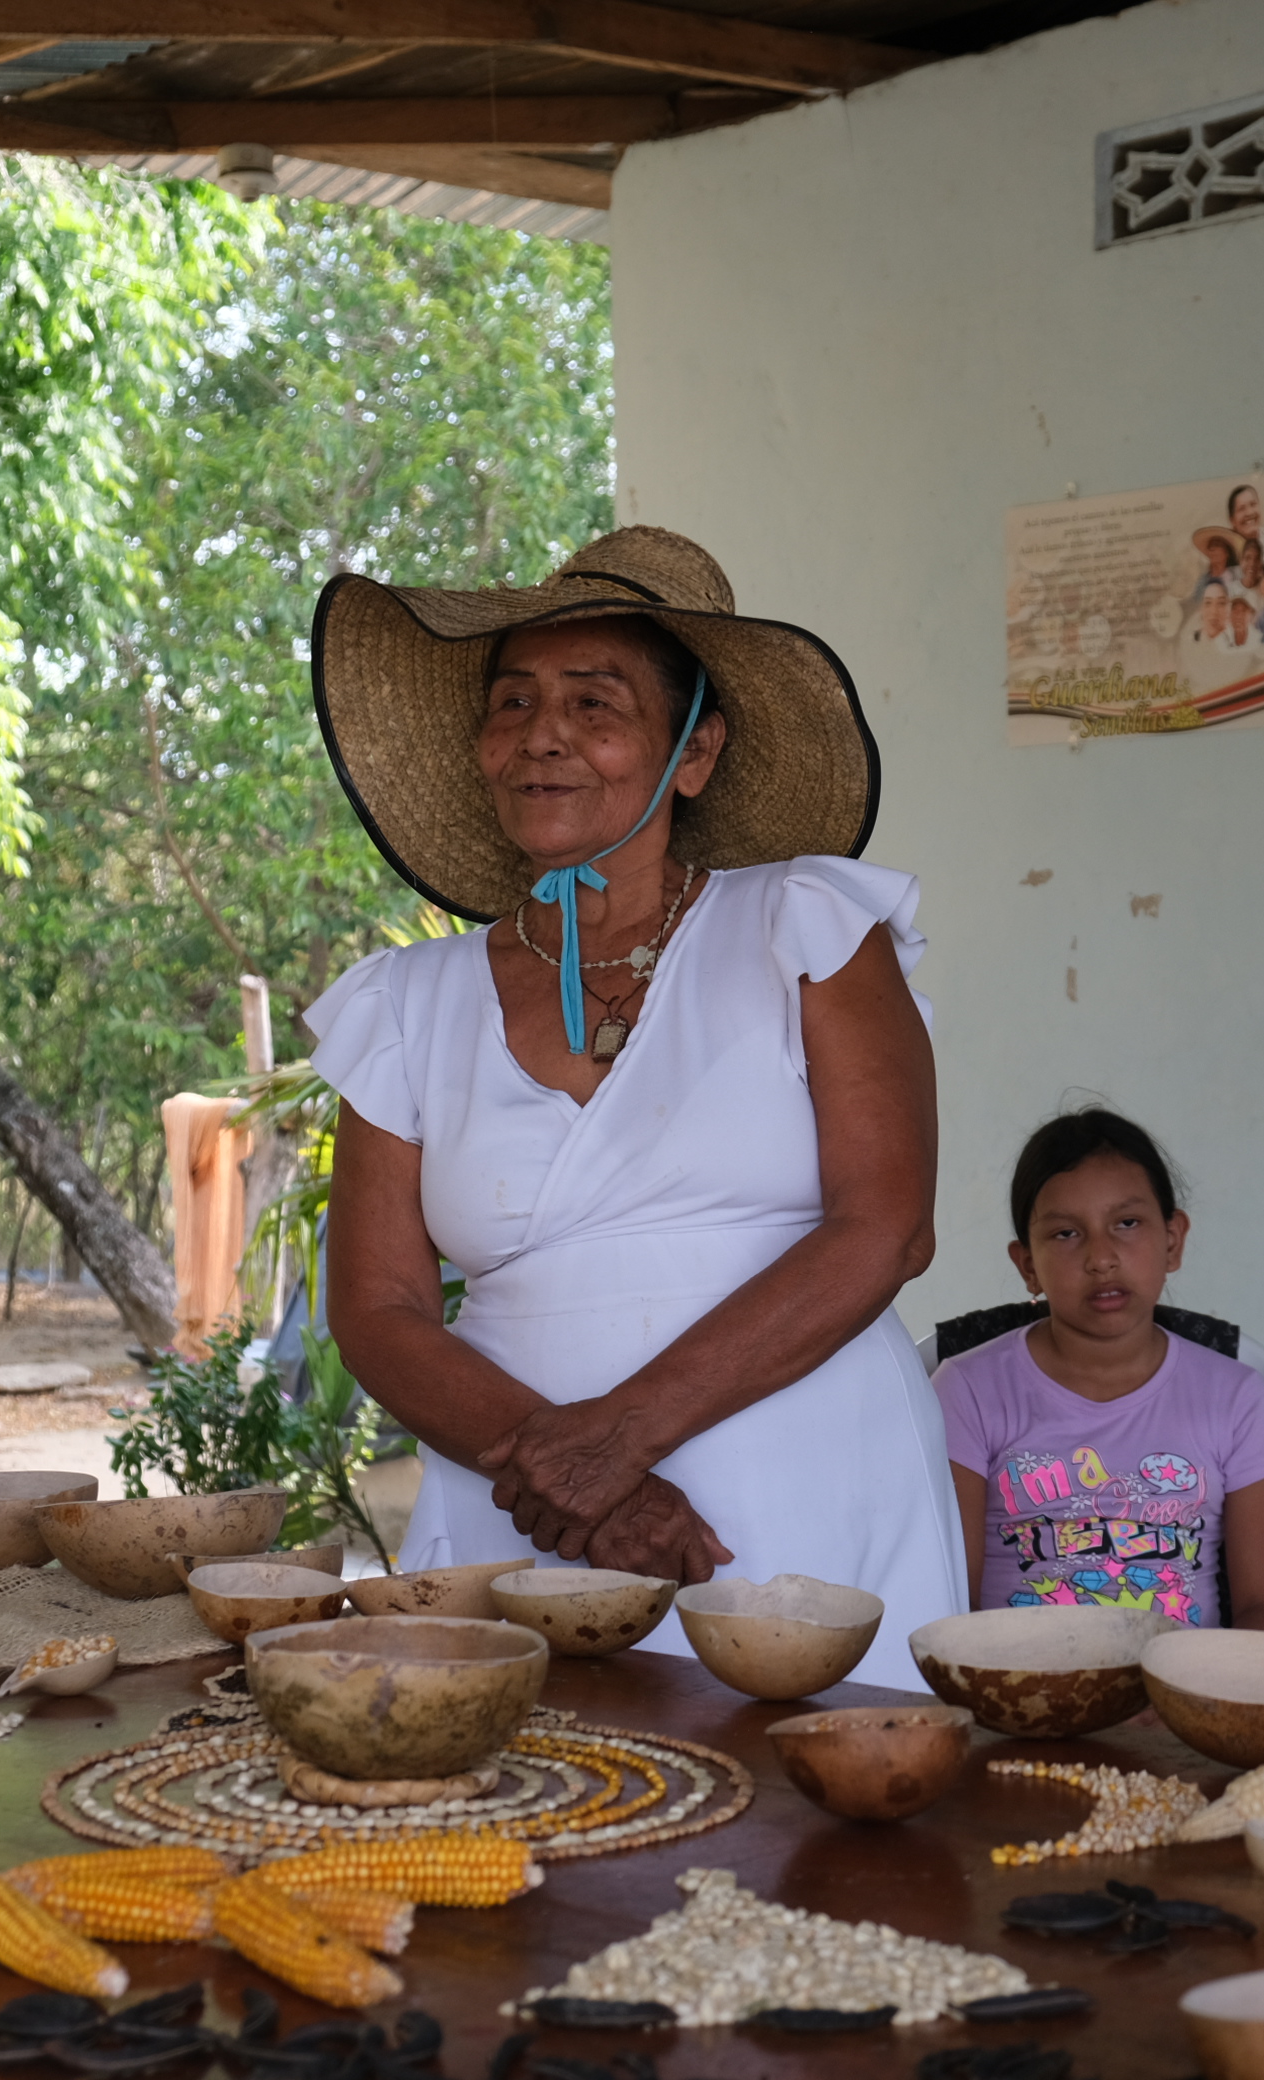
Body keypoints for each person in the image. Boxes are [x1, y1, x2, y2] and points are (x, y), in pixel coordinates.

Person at [305, 526, 963, 1686]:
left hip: (800, 1491)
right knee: (533, 1831)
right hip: (528, 1517)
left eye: (594, 701)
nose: (541, 734)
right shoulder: (407, 1003)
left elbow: (888, 1226)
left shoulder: (804, 929)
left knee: (815, 1839)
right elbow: (380, 1306)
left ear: (693, 752)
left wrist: (618, 1441)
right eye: (512, 702)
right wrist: (578, 1487)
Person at [933, 1110, 1264, 1628]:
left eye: (1127, 1224)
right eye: (1065, 1233)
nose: (1101, 1257)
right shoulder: (967, 1391)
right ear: (1027, 1265)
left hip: (1183, 1699)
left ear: (1173, 1241)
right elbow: (947, 1605)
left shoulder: (1236, 1399)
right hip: (1014, 1696)